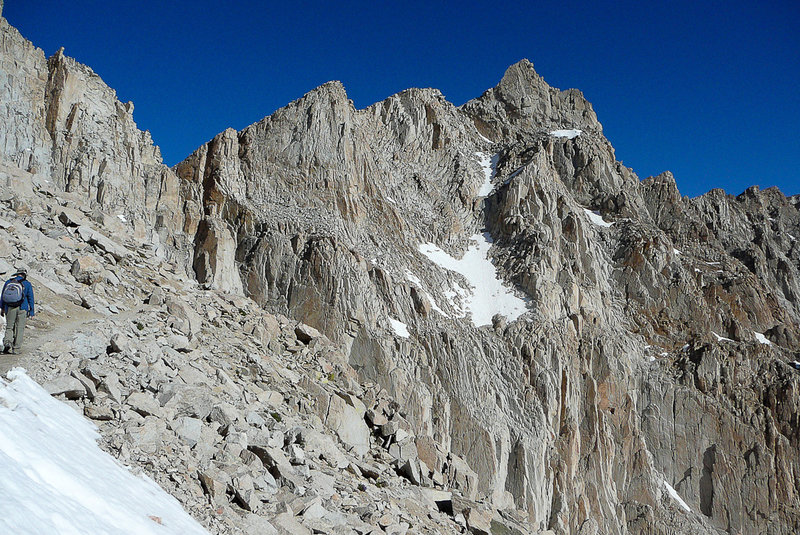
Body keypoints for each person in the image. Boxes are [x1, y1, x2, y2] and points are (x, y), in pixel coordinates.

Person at [1, 267, 35, 354]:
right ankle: (16, 349)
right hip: (22, 308)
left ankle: (7, 343)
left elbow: (3, 296)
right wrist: (31, 311)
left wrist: (2, 308)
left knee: (9, 327)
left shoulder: (9, 282)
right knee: (19, 328)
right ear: (24, 275)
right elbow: (30, 298)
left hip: (10, 307)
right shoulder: (27, 284)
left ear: (17, 274)